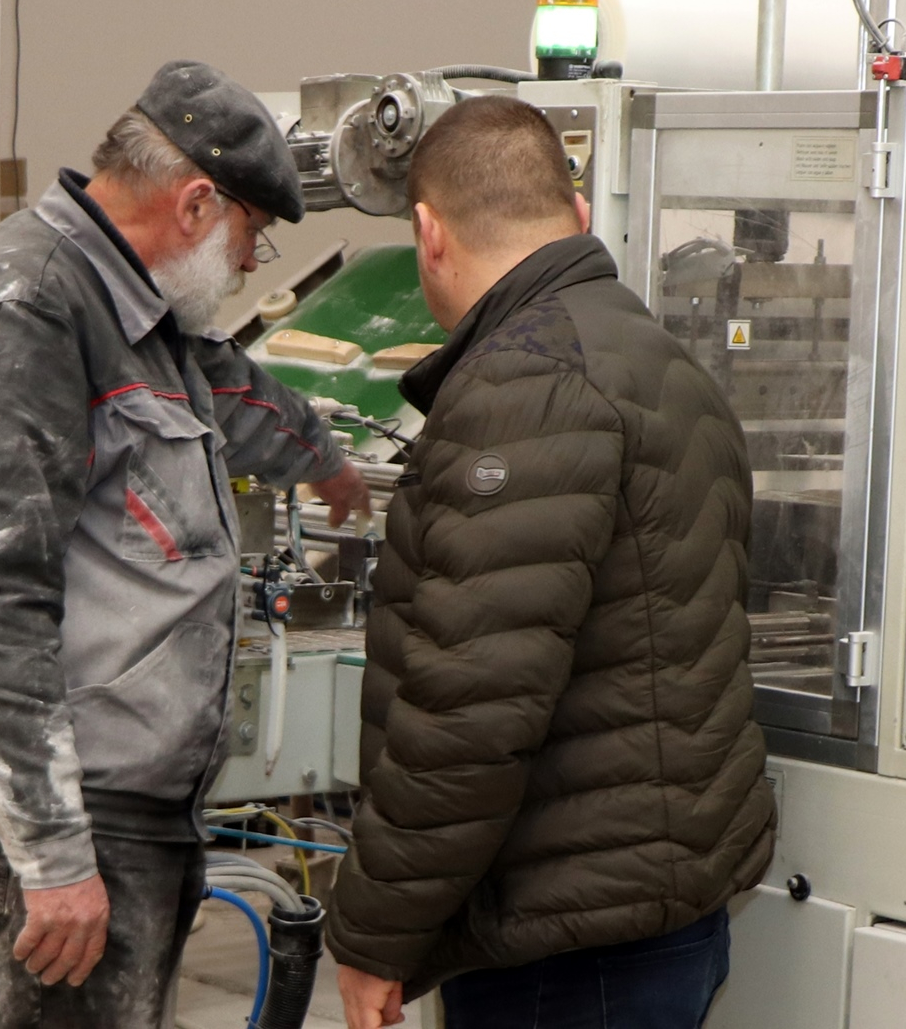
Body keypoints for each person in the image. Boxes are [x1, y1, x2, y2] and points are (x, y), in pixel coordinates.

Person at [0, 59, 368, 1027]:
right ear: (196, 205)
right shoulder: (22, 308)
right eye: (253, 235)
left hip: (139, 814)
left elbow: (226, 389)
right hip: (76, 822)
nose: (250, 264)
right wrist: (52, 856)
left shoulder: (135, 308)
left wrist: (323, 458)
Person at [325, 95, 777, 1029]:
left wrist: (375, 931)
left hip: (564, 944)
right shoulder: (658, 358)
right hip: (658, 906)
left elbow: (472, 708)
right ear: (575, 212)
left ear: (428, 232)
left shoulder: (522, 383)